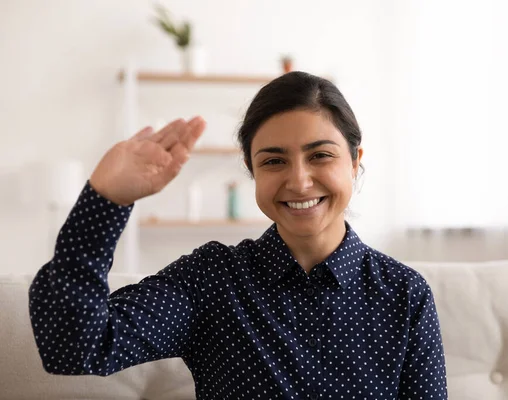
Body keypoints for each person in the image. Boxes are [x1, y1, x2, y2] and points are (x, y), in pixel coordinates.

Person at [29, 71, 448, 399]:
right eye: (273, 161)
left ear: (354, 162)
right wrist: (105, 201)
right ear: (252, 171)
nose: (299, 182)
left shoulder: (405, 295)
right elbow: (76, 348)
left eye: (320, 155)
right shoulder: (212, 279)